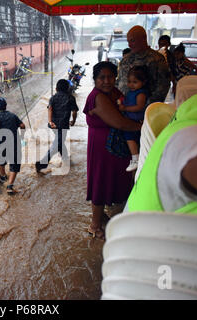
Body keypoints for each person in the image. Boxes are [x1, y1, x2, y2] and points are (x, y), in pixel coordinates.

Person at [125, 31, 197, 221]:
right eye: (129, 40)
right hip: (150, 244)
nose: (130, 43)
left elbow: (162, 86)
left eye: (133, 39)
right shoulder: (196, 134)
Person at [83, 62, 142, 239]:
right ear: (95, 79)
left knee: (111, 180)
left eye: (110, 76)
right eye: (102, 77)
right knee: (100, 181)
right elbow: (120, 122)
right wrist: (142, 127)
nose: (107, 81)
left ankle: (101, 217)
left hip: (115, 146)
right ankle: (94, 225)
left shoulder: (113, 92)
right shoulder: (98, 97)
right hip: (102, 148)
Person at [117, 25, 170, 105]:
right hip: (123, 107)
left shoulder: (157, 59)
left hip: (143, 111)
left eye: (132, 41)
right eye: (128, 41)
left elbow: (162, 87)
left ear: (144, 38)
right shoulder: (126, 59)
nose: (129, 45)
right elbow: (119, 81)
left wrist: (145, 107)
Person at [35, 79, 78, 172]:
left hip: (53, 125)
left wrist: (50, 121)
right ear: (68, 88)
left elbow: (50, 109)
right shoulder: (71, 98)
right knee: (57, 144)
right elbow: (74, 111)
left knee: (59, 142)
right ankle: (43, 163)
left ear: (56, 89)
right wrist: (73, 121)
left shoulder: (53, 98)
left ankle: (66, 159)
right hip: (63, 125)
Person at [0, 97, 26, 195]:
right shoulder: (12, 115)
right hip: (15, 143)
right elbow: (23, 125)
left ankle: (3, 176)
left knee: (1, 161)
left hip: (2, 143)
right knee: (14, 165)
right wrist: (21, 134)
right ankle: (9, 186)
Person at [117, 66, 149, 172]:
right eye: (129, 81)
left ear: (143, 82)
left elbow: (139, 106)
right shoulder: (131, 92)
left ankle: (135, 159)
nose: (131, 84)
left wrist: (125, 108)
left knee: (129, 138)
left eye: (135, 82)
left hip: (136, 121)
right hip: (131, 119)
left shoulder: (141, 93)